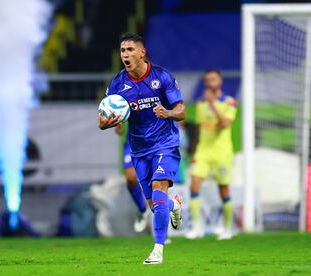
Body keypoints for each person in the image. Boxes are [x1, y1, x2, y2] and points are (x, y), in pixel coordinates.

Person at [98, 32, 185, 265]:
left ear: (141, 52)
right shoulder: (117, 83)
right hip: (139, 148)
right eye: (122, 51)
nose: (125, 55)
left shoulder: (162, 77)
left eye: (130, 50)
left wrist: (167, 112)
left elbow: (181, 110)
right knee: (155, 204)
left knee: (159, 187)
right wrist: (111, 121)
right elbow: (101, 121)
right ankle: (173, 205)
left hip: (164, 143)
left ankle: (157, 250)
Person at [186, 70, 237, 240]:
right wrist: (194, 150)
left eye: (213, 79)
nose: (210, 82)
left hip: (222, 153)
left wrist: (213, 104)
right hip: (203, 152)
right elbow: (201, 128)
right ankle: (197, 227)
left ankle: (228, 228)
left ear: (220, 81)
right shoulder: (201, 102)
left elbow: (225, 123)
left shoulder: (229, 102)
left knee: (223, 190)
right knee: (193, 185)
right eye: (207, 80)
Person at [115, 123, 149, 232]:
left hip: (155, 141)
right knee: (130, 177)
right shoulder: (129, 104)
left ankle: (163, 234)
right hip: (133, 142)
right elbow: (121, 110)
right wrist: (118, 124)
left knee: (157, 184)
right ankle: (142, 209)